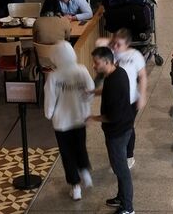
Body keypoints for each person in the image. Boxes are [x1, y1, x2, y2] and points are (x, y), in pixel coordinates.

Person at [44, 41, 94, 202]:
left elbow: (50, 98)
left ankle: (75, 186)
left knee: (67, 153)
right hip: (80, 117)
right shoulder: (82, 70)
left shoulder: (54, 76)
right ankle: (85, 172)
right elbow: (90, 90)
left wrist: (48, 113)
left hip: (62, 122)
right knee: (80, 146)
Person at [89, 46, 135, 214]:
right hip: (124, 127)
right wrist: (94, 92)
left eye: (96, 63)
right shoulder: (116, 72)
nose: (94, 66)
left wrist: (93, 118)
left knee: (121, 170)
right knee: (119, 167)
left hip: (117, 132)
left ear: (107, 61)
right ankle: (121, 198)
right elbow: (108, 91)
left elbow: (112, 116)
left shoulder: (115, 81)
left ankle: (128, 208)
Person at [111, 29, 147, 170]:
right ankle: (118, 151)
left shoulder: (135, 55)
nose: (115, 47)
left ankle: (129, 155)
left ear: (127, 44)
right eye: (114, 43)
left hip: (131, 100)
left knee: (128, 127)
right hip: (115, 100)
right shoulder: (111, 54)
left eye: (118, 44)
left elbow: (142, 76)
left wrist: (142, 95)